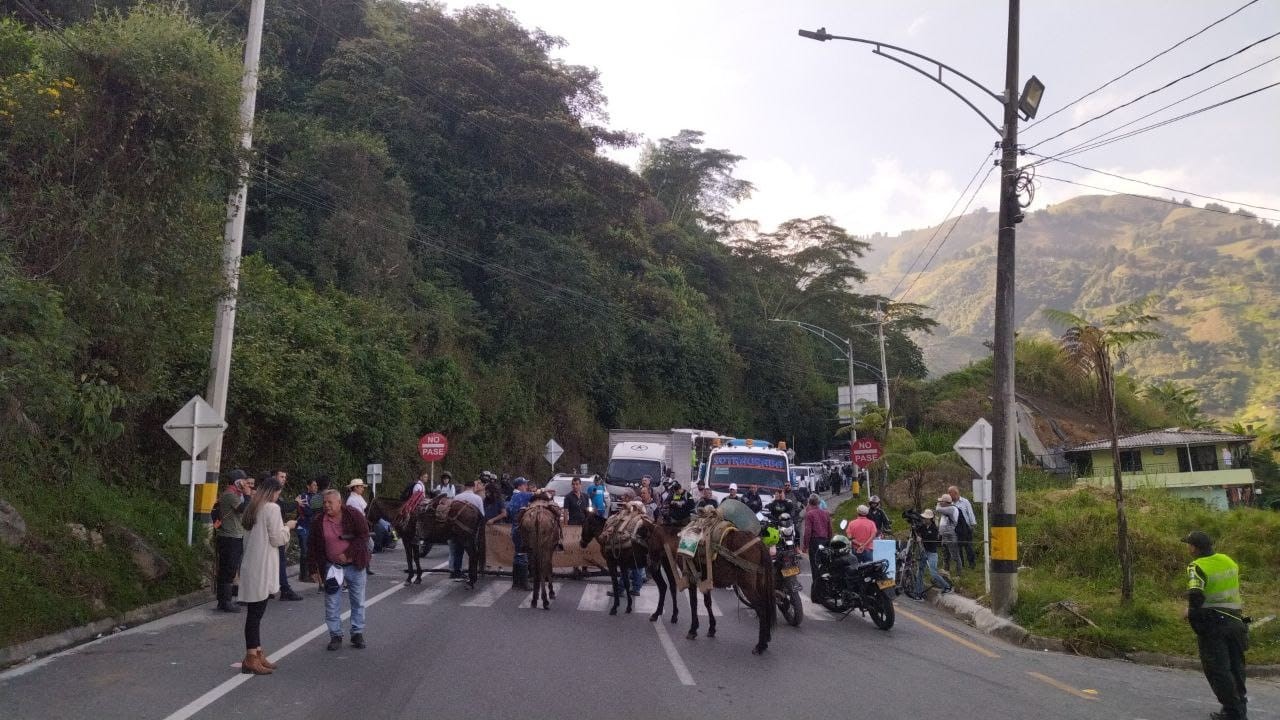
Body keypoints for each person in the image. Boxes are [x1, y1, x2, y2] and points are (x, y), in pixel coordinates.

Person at [1183, 531, 1248, 720]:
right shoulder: (1228, 561)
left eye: (1189, 545)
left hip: (1214, 625)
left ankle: (1233, 712)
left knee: (1217, 669)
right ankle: (1239, 708)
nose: (1188, 548)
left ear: (1194, 548)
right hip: (1236, 621)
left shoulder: (1196, 566)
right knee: (1236, 667)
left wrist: (1191, 614)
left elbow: (1195, 594)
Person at [237, 476, 296, 674]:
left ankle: (257, 652)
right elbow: (277, 538)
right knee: (255, 614)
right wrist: (288, 527)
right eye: (279, 493)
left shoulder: (253, 507)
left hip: (251, 565)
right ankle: (251, 657)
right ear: (274, 492)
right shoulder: (272, 508)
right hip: (262, 566)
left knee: (255, 612)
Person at [307, 489, 370, 651]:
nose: (326, 506)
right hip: (332, 567)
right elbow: (312, 545)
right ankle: (335, 635)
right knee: (332, 602)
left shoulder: (353, 515)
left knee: (358, 601)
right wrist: (313, 568)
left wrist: (348, 553)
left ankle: (357, 633)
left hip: (355, 565)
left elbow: (363, 536)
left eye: (330, 502)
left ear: (339, 503)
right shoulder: (319, 521)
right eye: (324, 503)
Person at [215, 470, 253, 613]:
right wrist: (247, 495)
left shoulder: (235, 494)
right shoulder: (230, 495)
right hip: (229, 537)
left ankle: (223, 600)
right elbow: (244, 509)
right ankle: (225, 602)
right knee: (228, 569)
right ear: (238, 482)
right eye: (243, 481)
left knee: (228, 569)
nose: (246, 484)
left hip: (233, 536)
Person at [489, 477, 534, 591]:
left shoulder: (512, 497)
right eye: (525, 485)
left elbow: (508, 513)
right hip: (521, 529)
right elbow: (537, 494)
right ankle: (524, 583)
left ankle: (516, 583)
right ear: (520, 486)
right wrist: (542, 491)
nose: (526, 487)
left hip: (514, 529)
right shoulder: (522, 495)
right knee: (523, 555)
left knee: (517, 555)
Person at [266, 470, 303, 602]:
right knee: (280, 561)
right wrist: (287, 527)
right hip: (275, 535)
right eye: (281, 476)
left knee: (275, 562)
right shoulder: (272, 506)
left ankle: (271, 589)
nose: (284, 479)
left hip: (269, 536)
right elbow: (284, 507)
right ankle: (284, 589)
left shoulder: (260, 502)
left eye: (285, 477)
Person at [448, 475, 486, 581]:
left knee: (457, 551)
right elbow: (482, 515)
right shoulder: (477, 498)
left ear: (465, 487)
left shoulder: (457, 497)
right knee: (472, 552)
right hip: (471, 530)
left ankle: (456, 571)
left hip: (456, 529)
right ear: (473, 487)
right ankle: (472, 573)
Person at [912, 509, 953, 600]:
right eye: (923, 518)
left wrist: (921, 539)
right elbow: (916, 531)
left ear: (930, 519)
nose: (924, 519)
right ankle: (918, 592)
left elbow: (930, 538)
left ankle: (947, 586)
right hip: (923, 552)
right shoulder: (922, 526)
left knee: (933, 573)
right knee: (920, 572)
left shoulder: (934, 528)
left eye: (926, 518)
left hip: (932, 553)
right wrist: (915, 530)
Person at [295, 478, 320, 582]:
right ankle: (303, 575)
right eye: (313, 485)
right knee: (305, 551)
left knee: (312, 551)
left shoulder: (317, 497)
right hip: (303, 527)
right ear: (308, 486)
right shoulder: (303, 496)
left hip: (312, 527)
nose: (316, 487)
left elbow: (318, 511)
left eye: (316, 485)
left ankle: (311, 574)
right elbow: (308, 511)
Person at [947, 486, 978, 569]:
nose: (948, 494)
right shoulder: (950, 504)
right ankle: (961, 565)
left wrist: (972, 524)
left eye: (950, 493)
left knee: (969, 546)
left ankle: (972, 564)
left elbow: (970, 513)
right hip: (955, 529)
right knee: (958, 547)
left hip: (966, 527)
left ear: (955, 493)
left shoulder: (965, 502)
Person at [800, 495, 831, 575]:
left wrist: (805, 546)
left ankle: (817, 581)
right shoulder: (826, 513)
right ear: (819, 502)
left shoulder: (809, 514)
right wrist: (829, 541)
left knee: (815, 565)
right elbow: (830, 529)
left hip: (815, 542)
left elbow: (808, 531)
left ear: (809, 503)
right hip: (825, 541)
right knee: (825, 563)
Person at [935, 494, 961, 576]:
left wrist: (938, 504)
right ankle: (946, 572)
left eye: (941, 501)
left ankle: (958, 574)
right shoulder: (946, 509)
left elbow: (937, 509)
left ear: (946, 502)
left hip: (950, 535)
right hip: (944, 535)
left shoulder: (951, 508)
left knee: (955, 555)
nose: (939, 502)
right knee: (945, 555)